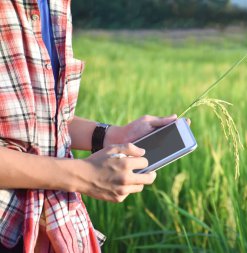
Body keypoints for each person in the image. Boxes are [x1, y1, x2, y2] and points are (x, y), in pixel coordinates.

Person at [0, 1, 179, 252]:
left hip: (48, 227)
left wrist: (114, 135)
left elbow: (40, 120)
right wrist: (83, 175)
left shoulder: (56, 5)